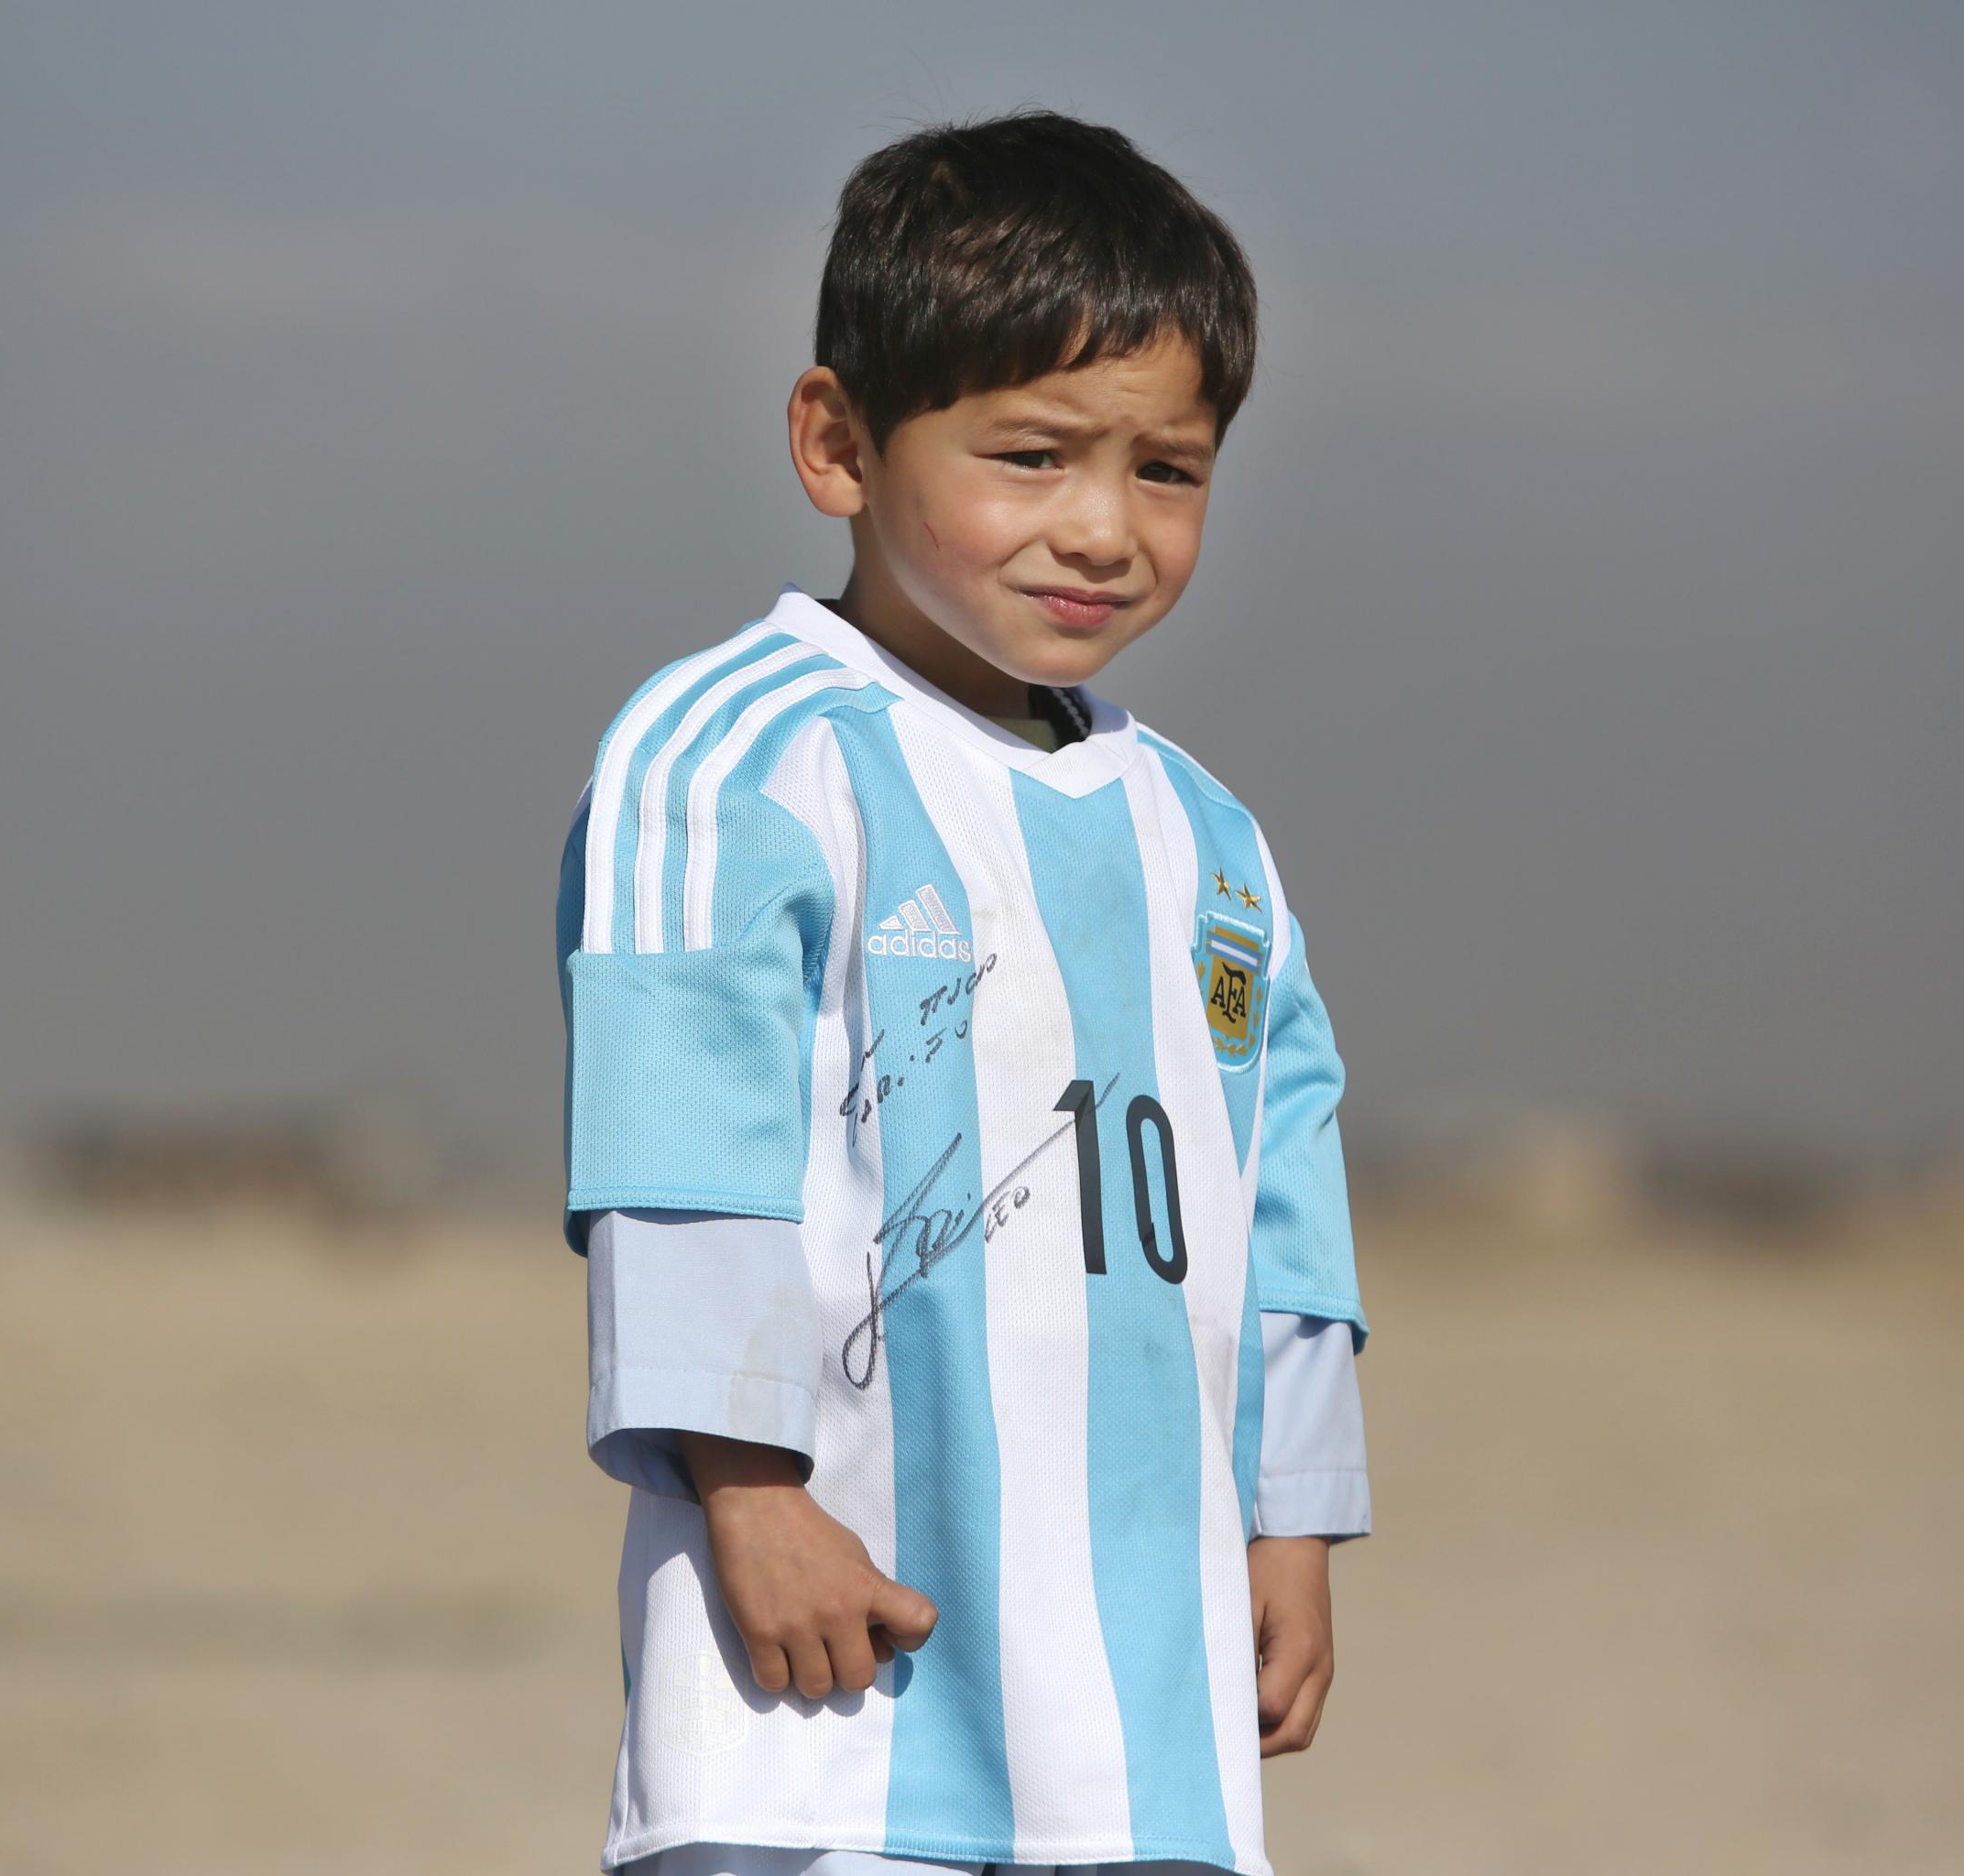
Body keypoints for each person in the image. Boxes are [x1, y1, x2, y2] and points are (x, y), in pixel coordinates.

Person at [555, 114, 1369, 1876]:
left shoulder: (1205, 835)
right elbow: (679, 1142)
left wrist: (1289, 1522)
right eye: (1029, 453)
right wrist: (749, 1495)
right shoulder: (739, 753)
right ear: (836, 442)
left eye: (1168, 469)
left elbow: (1275, 1182)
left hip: (1146, 1708)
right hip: (834, 1679)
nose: (1101, 526)